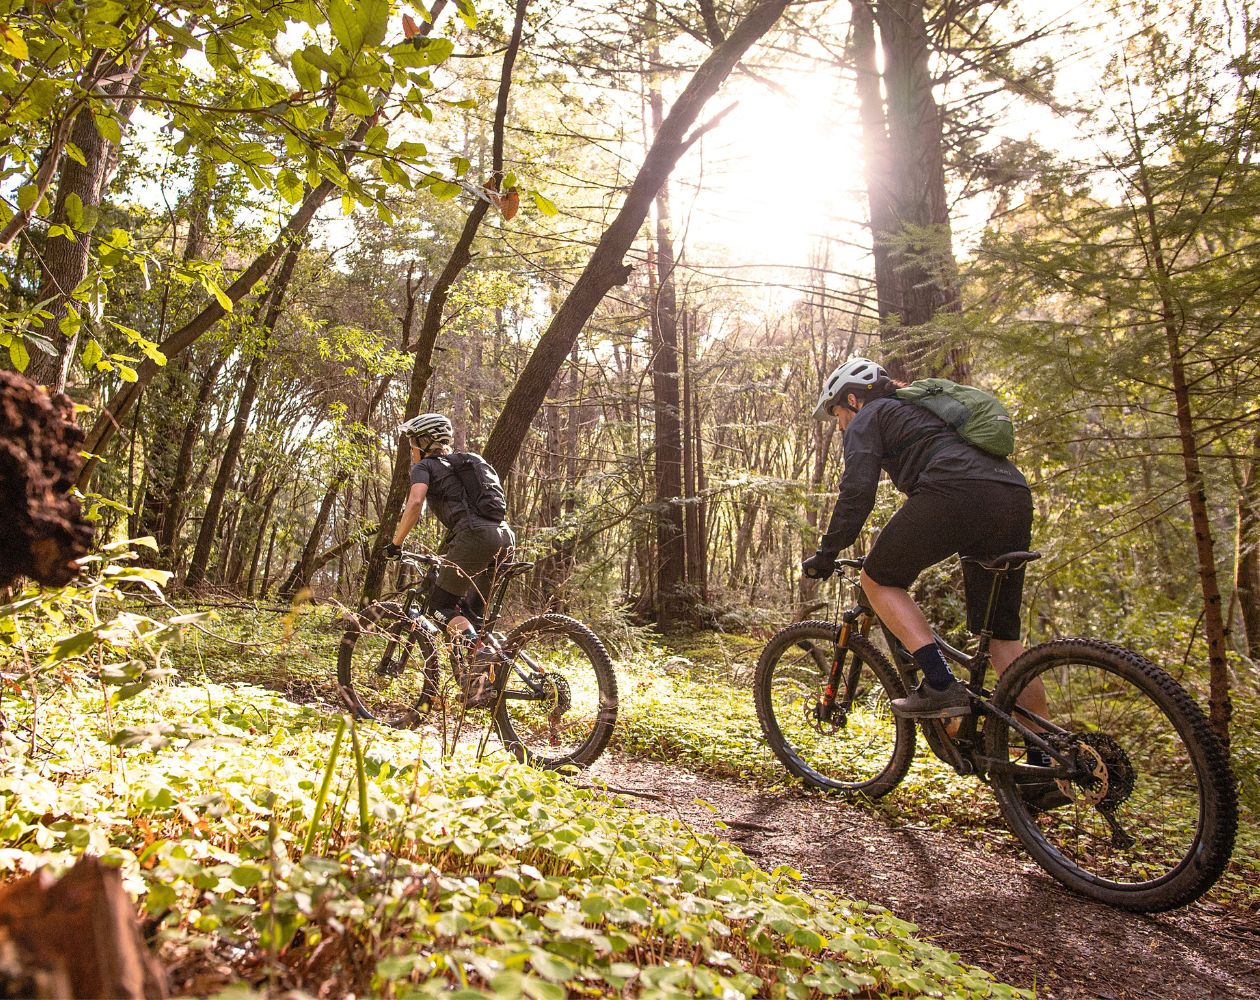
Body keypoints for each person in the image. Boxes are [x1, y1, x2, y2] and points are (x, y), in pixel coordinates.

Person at [803, 358, 1050, 739]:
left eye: (837, 414)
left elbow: (857, 492)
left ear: (853, 399)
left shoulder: (871, 415)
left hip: (956, 489)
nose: (839, 425)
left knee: (878, 579)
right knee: (1002, 639)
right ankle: (1044, 756)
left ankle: (939, 683)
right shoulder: (922, 410)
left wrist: (828, 551)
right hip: (1012, 494)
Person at [383, 413, 515, 707]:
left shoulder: (425, 466)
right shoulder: (464, 464)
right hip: (504, 537)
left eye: (413, 441)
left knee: (439, 606)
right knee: (469, 616)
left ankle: (480, 654)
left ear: (425, 440)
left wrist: (395, 543)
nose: (411, 447)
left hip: (476, 539)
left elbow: (416, 502)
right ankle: (478, 688)